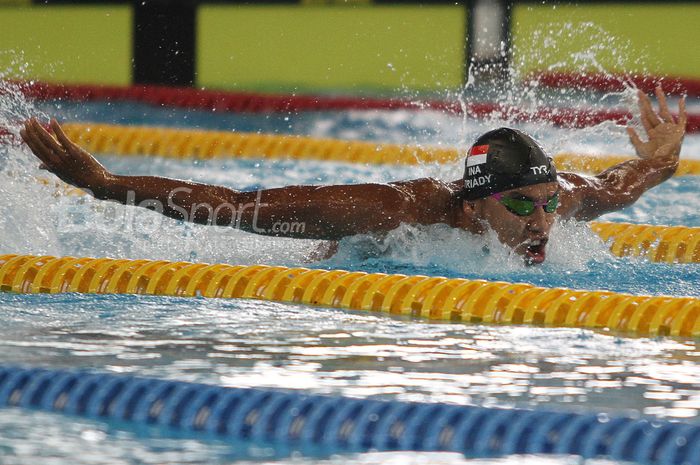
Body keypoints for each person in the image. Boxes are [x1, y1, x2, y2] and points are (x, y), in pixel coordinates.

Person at [20, 87, 686, 265]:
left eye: (546, 203)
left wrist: (658, 165)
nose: (544, 221)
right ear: (477, 204)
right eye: (522, 207)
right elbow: (234, 204)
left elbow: (616, 187)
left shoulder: (556, 202)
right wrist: (102, 185)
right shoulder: (395, 212)